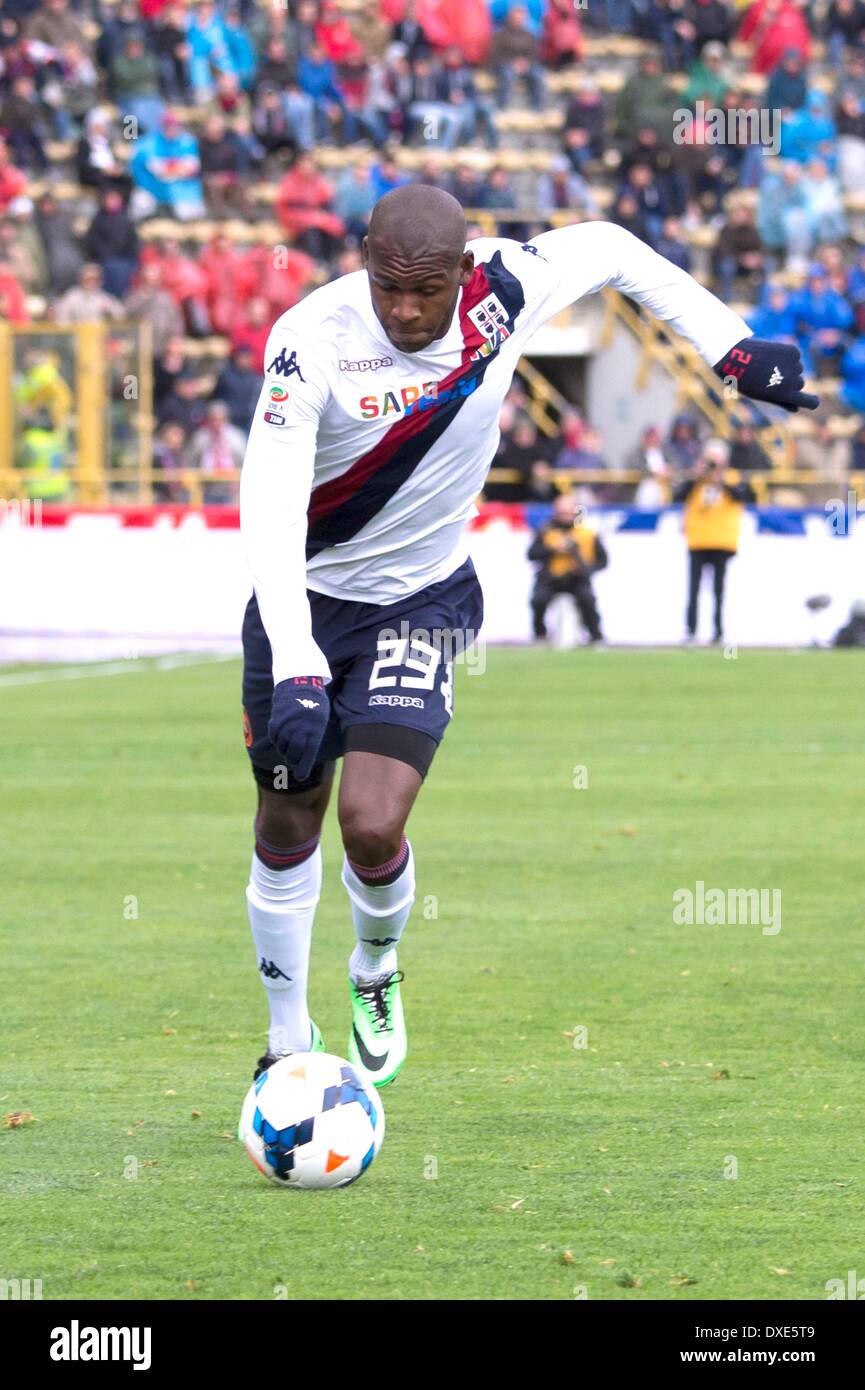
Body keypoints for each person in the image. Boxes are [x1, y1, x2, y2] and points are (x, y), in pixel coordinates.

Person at [238, 184, 817, 1089]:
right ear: (360, 258)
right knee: (285, 813)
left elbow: (615, 246)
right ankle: (285, 1041)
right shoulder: (306, 344)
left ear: (463, 274)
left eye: (424, 290)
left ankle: (373, 966)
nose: (402, 309)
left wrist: (728, 345)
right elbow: (268, 513)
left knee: (371, 823)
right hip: (299, 603)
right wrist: (298, 665)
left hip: (420, 603)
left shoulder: (506, 289)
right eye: (386, 285)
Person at [673, 438, 757, 645]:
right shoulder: (697, 481)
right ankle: (691, 630)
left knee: (719, 590)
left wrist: (721, 479)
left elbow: (743, 497)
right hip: (698, 539)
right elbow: (677, 496)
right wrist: (695, 476)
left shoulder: (732, 478)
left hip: (722, 540)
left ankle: (718, 631)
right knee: (693, 589)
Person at [528, 492, 608, 643]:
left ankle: (595, 635)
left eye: (567, 513)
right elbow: (531, 555)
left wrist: (586, 568)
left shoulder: (586, 533)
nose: (564, 517)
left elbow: (603, 561)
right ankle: (540, 634)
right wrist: (552, 549)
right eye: (561, 513)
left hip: (577, 578)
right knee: (538, 599)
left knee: (588, 599)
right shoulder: (546, 531)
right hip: (550, 578)